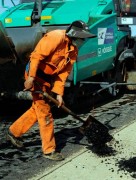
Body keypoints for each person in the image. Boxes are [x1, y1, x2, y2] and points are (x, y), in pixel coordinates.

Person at [5, 20, 96, 161]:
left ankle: (13, 132)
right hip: (35, 74)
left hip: (47, 78)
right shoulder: (56, 37)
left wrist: (59, 94)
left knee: (37, 108)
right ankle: (49, 150)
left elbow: (63, 74)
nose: (83, 41)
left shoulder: (73, 51)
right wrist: (30, 78)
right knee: (45, 112)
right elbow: (36, 57)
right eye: (82, 38)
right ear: (74, 34)